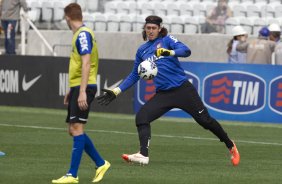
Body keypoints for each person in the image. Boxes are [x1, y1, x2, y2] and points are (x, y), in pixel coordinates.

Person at [97, 15, 240, 167]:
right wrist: (116, 91)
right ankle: (143, 155)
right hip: (164, 94)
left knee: (205, 121)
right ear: (145, 29)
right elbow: (135, 74)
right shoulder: (142, 50)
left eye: (154, 28)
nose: (151, 31)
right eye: (148, 28)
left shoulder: (167, 40)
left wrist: (169, 52)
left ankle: (230, 145)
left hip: (182, 90)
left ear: (159, 29)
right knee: (142, 117)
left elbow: (186, 51)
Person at [52, 3, 110, 184]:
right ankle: (101, 163)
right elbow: (80, 64)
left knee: (77, 128)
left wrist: (82, 91)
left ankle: (72, 175)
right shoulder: (80, 34)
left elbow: (86, 63)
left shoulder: (83, 34)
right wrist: (72, 89)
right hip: (78, 86)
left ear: (68, 17)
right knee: (73, 129)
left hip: (85, 86)